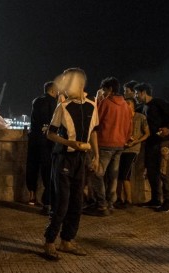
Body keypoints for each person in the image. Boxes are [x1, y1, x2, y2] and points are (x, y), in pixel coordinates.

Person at [43, 68, 99, 260]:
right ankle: (50, 241)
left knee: (77, 202)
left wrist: (96, 156)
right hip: (63, 159)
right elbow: (50, 133)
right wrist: (69, 143)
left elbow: (93, 132)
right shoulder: (62, 107)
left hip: (81, 159)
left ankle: (67, 240)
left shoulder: (93, 105)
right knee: (62, 203)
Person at [84, 77, 132, 217]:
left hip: (105, 143)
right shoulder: (126, 105)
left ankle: (101, 205)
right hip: (119, 145)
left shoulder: (105, 103)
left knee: (96, 173)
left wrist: (98, 100)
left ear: (109, 89)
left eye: (104, 90)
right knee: (113, 176)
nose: (103, 92)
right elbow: (129, 126)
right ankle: (110, 203)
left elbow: (95, 120)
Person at [134, 82, 169, 212]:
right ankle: (155, 199)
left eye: (137, 93)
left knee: (164, 171)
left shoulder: (158, 102)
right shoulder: (142, 108)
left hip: (165, 142)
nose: (136, 96)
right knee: (152, 171)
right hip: (151, 143)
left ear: (143, 92)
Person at [26, 81, 57, 212]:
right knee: (47, 170)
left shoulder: (36, 101)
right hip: (47, 141)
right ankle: (47, 203)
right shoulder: (54, 102)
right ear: (53, 91)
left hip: (34, 138)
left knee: (32, 167)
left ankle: (32, 197)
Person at [114, 97, 149, 209]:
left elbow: (147, 134)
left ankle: (128, 201)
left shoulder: (141, 117)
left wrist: (135, 141)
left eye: (128, 103)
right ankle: (120, 199)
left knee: (125, 175)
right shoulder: (121, 117)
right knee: (119, 176)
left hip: (132, 150)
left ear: (133, 105)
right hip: (121, 149)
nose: (126, 105)